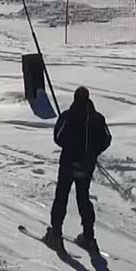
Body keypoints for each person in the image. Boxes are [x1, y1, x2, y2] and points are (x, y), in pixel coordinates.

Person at [47, 86, 111, 251]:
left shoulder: (68, 116)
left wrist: (70, 148)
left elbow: (58, 137)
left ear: (75, 98)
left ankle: (56, 233)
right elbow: (106, 139)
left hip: (68, 163)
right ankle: (89, 238)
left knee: (62, 195)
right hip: (87, 165)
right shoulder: (98, 118)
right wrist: (93, 153)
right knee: (83, 199)